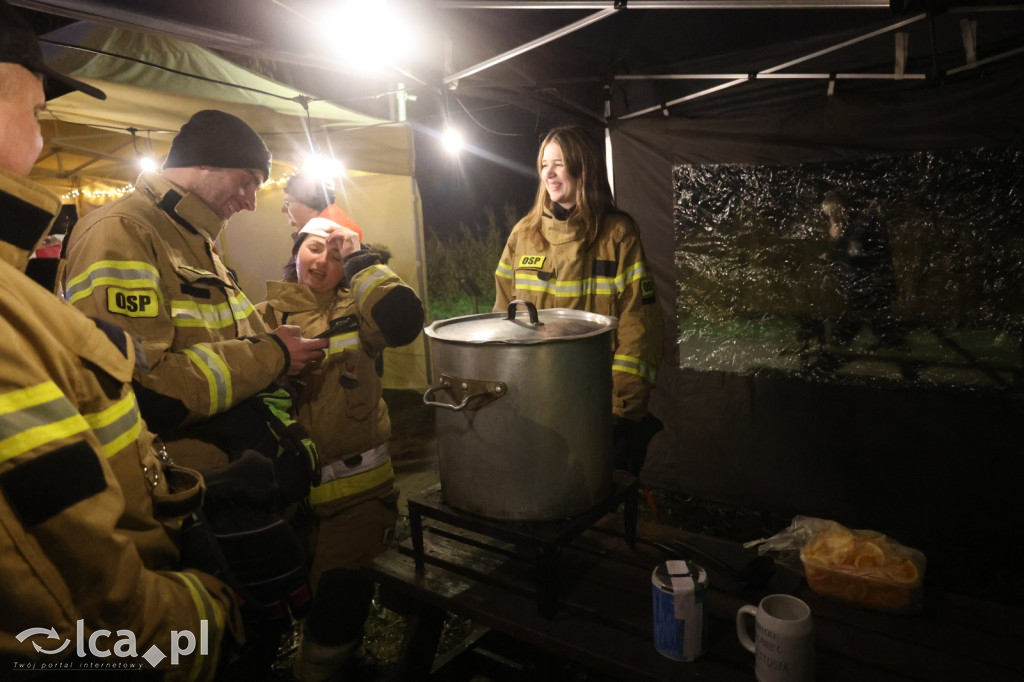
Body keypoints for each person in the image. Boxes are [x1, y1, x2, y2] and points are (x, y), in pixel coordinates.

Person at [0, 2, 240, 676]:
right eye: (36, 112)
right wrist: (206, 616)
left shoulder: (199, 241)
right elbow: (80, 593)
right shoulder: (116, 235)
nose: (42, 143)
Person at [61, 109, 329, 471]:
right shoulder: (122, 230)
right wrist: (275, 355)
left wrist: (284, 354)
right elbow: (142, 385)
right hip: (179, 488)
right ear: (206, 161)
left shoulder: (190, 236)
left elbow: (224, 338)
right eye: (246, 181)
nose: (250, 202)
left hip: (227, 479)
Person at [256, 217, 424, 682]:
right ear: (295, 251)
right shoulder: (263, 314)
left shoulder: (361, 311)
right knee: (284, 603)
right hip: (288, 503)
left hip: (358, 501)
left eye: (334, 253)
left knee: (338, 603)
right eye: (314, 247)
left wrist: (359, 260)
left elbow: (404, 319)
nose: (322, 260)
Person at [494, 125, 664, 475]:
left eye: (559, 163)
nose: (550, 173)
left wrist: (625, 411)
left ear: (583, 167)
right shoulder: (523, 235)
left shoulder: (618, 234)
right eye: (544, 164)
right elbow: (501, 318)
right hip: (532, 402)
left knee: (591, 507)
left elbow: (639, 327)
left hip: (596, 407)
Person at [820, 190, 903, 348]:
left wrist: (835, 241)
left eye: (832, 214)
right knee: (874, 315)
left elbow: (854, 254)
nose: (831, 219)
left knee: (858, 314)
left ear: (840, 209)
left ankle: (839, 343)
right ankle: (891, 341)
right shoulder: (854, 223)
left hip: (868, 279)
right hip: (869, 279)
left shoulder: (860, 224)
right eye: (829, 216)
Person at [280, 172, 363, 280]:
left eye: (288, 202)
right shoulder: (324, 230)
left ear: (308, 204)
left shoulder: (330, 235)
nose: (283, 209)